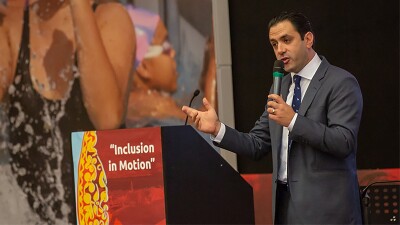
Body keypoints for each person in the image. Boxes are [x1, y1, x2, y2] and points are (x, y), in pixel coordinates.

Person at [182, 11, 363, 224]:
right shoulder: (281, 86)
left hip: (327, 213)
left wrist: (294, 121)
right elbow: (257, 144)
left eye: (286, 40)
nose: (280, 50)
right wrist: (217, 128)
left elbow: (344, 142)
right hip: (285, 209)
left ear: (308, 39)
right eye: (274, 44)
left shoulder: (340, 82)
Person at [0, 0, 135, 224]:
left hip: (103, 216)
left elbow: (108, 118)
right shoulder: (13, 24)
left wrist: (79, 5)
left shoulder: (111, 18)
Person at [125, 5, 185, 128]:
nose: (173, 53)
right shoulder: (155, 104)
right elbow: (204, 128)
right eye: (166, 48)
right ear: (143, 67)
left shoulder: (129, 102)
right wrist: (213, 62)